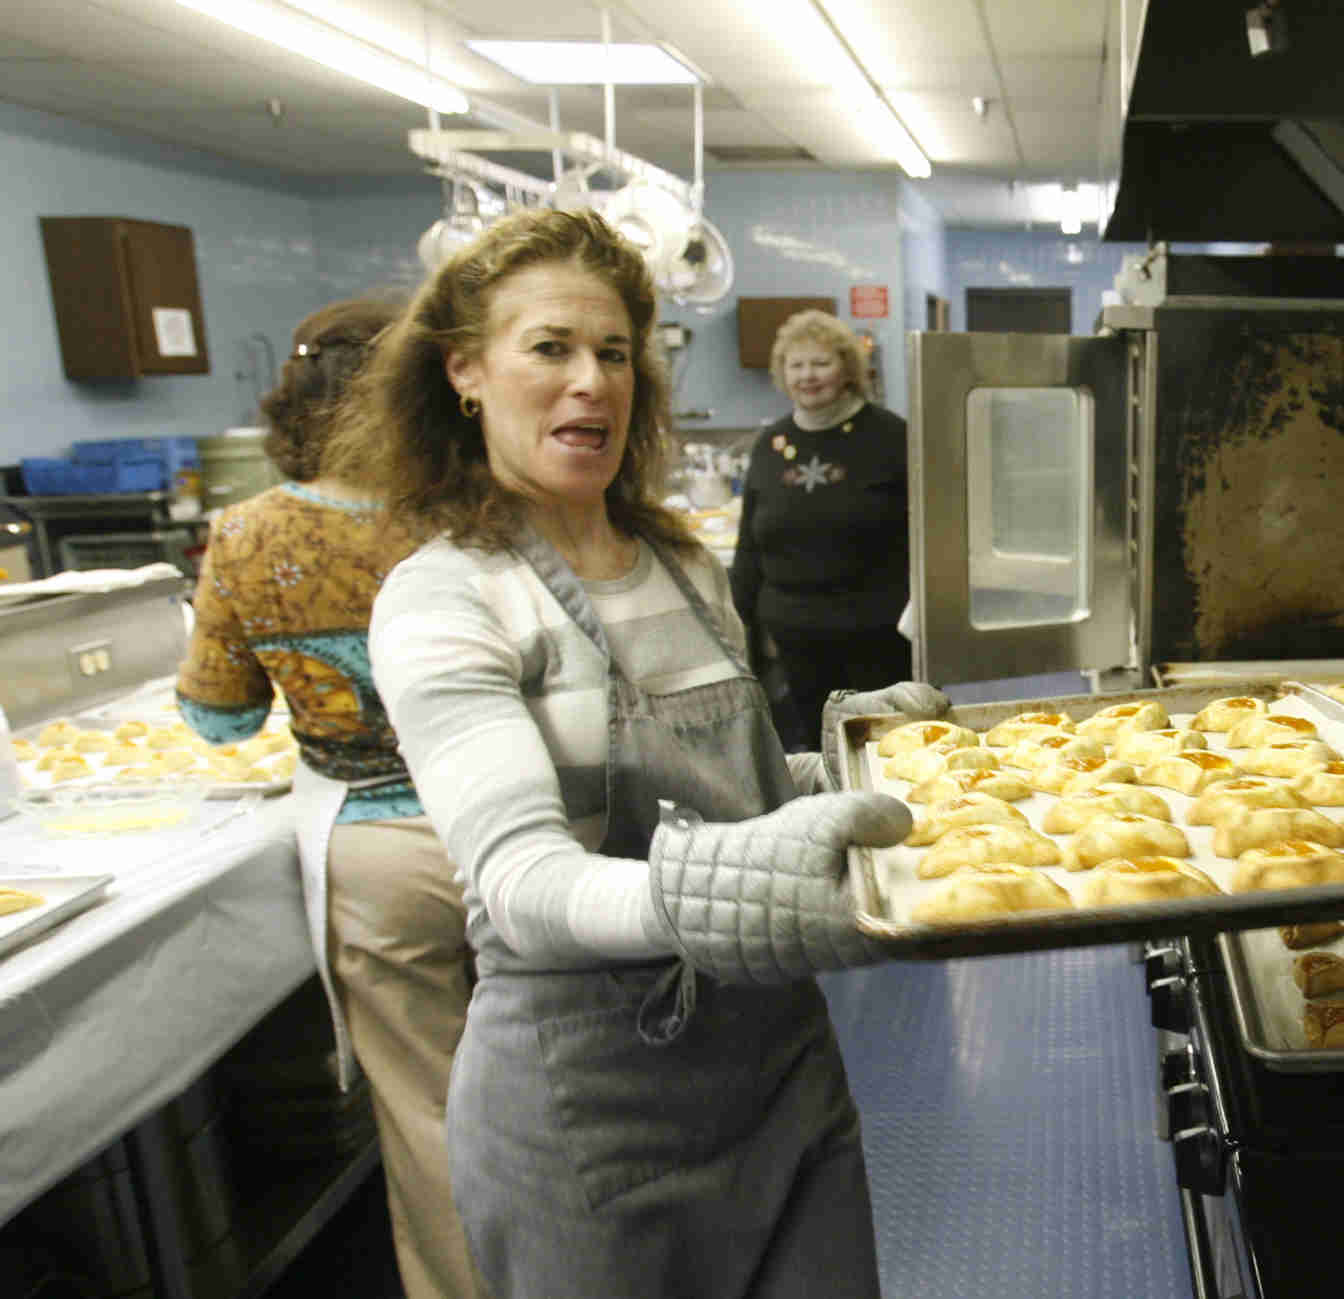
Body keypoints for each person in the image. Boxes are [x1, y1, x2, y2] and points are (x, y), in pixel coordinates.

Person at [330, 207, 945, 1298]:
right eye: (551, 349)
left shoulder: (680, 563)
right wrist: (717, 896)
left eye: (615, 353)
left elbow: (740, 795)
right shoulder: (445, 596)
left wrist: (871, 773)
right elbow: (522, 881)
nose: (593, 383)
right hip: (594, 1119)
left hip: (781, 1076)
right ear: (466, 371)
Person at [175, 297, 488, 1299]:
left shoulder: (248, 537)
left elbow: (220, 721)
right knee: (557, 1085)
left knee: (428, 1107)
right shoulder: (475, 515)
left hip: (375, 849)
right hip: (509, 824)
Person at [730, 309, 912, 752]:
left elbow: (926, 536)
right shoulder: (769, 445)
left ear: (848, 369)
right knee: (813, 752)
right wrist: (739, 632)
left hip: (877, 638)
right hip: (793, 644)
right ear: (782, 374)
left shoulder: (890, 436)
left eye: (820, 363)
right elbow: (749, 549)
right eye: (796, 365)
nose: (807, 376)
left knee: (885, 751)